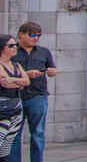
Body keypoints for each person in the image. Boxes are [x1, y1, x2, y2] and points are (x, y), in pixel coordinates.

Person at [7, 23, 53, 162]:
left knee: (38, 133)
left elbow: (52, 68)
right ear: (21, 34)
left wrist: (51, 71)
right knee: (14, 134)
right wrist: (26, 74)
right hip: (16, 96)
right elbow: (6, 72)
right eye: (32, 35)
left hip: (38, 96)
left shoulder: (43, 51)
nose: (36, 38)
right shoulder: (12, 51)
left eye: (39, 35)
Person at [0, 36, 29, 157]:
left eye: (15, 44)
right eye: (11, 46)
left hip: (16, 107)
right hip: (3, 108)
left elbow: (27, 81)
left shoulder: (16, 65)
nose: (15, 47)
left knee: (6, 146)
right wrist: (19, 82)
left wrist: (12, 79)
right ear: (2, 48)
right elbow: (4, 83)